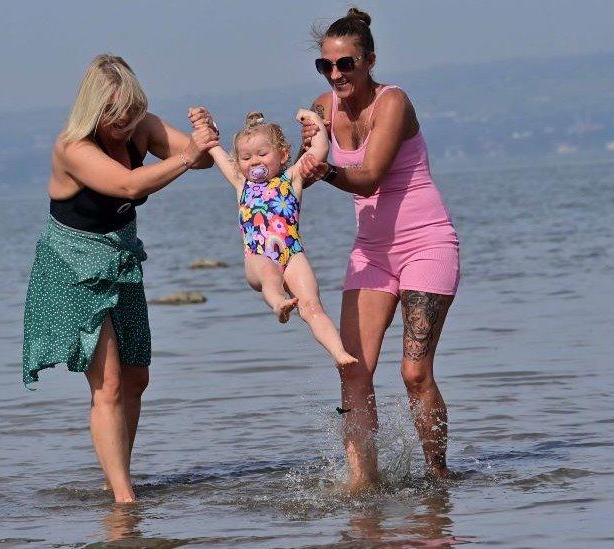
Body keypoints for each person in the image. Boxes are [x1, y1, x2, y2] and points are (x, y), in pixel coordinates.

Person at [21, 54, 218, 502]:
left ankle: (117, 480)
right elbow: (131, 185)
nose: (127, 126)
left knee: (136, 377)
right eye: (117, 117)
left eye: (132, 114)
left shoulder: (141, 126)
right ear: (94, 110)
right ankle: (125, 501)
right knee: (107, 382)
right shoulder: (72, 147)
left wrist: (203, 141)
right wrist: (189, 156)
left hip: (121, 257)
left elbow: (198, 160)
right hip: (71, 265)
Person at [298, 8, 461, 490]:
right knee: (353, 370)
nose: (335, 75)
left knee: (414, 373)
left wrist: (321, 169)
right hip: (371, 254)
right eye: (326, 66)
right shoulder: (321, 108)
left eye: (345, 64)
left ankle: (437, 478)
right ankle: (361, 483)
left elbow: (368, 178)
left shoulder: (394, 103)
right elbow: (296, 171)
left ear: (369, 60)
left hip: (427, 245)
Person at [187, 106, 358, 368]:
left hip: (292, 253)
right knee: (270, 275)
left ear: (283, 154)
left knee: (312, 305)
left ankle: (338, 353)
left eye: (262, 154)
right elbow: (213, 147)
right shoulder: (241, 183)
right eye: (245, 157)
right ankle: (279, 304)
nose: (254, 161)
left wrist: (312, 119)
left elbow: (319, 150)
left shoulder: (292, 179)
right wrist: (203, 124)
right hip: (257, 256)